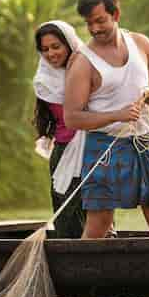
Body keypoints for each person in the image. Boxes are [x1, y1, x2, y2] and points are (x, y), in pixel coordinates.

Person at [64, 0, 149, 238]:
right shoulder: (83, 62)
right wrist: (117, 115)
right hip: (104, 145)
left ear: (116, 15)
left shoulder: (140, 43)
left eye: (100, 21)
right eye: (89, 23)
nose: (94, 29)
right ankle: (81, 275)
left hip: (146, 141)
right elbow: (72, 117)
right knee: (100, 221)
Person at [33, 20, 118, 238]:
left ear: (69, 44)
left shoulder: (90, 70)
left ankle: (105, 263)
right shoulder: (44, 80)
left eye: (56, 46)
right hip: (63, 154)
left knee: (99, 216)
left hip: (94, 149)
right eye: (45, 49)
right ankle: (73, 262)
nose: (51, 53)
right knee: (67, 216)